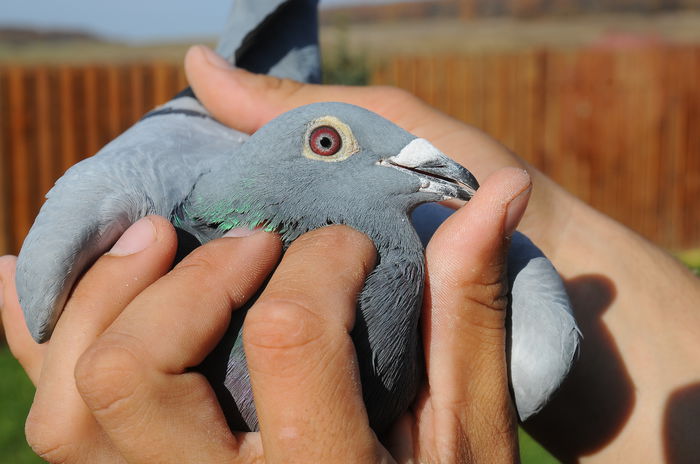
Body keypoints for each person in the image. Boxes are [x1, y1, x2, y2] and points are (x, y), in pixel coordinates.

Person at [0, 44, 698, 462]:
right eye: (328, 142)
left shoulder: (432, 243)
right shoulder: (147, 213)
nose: (429, 166)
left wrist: (556, 241)